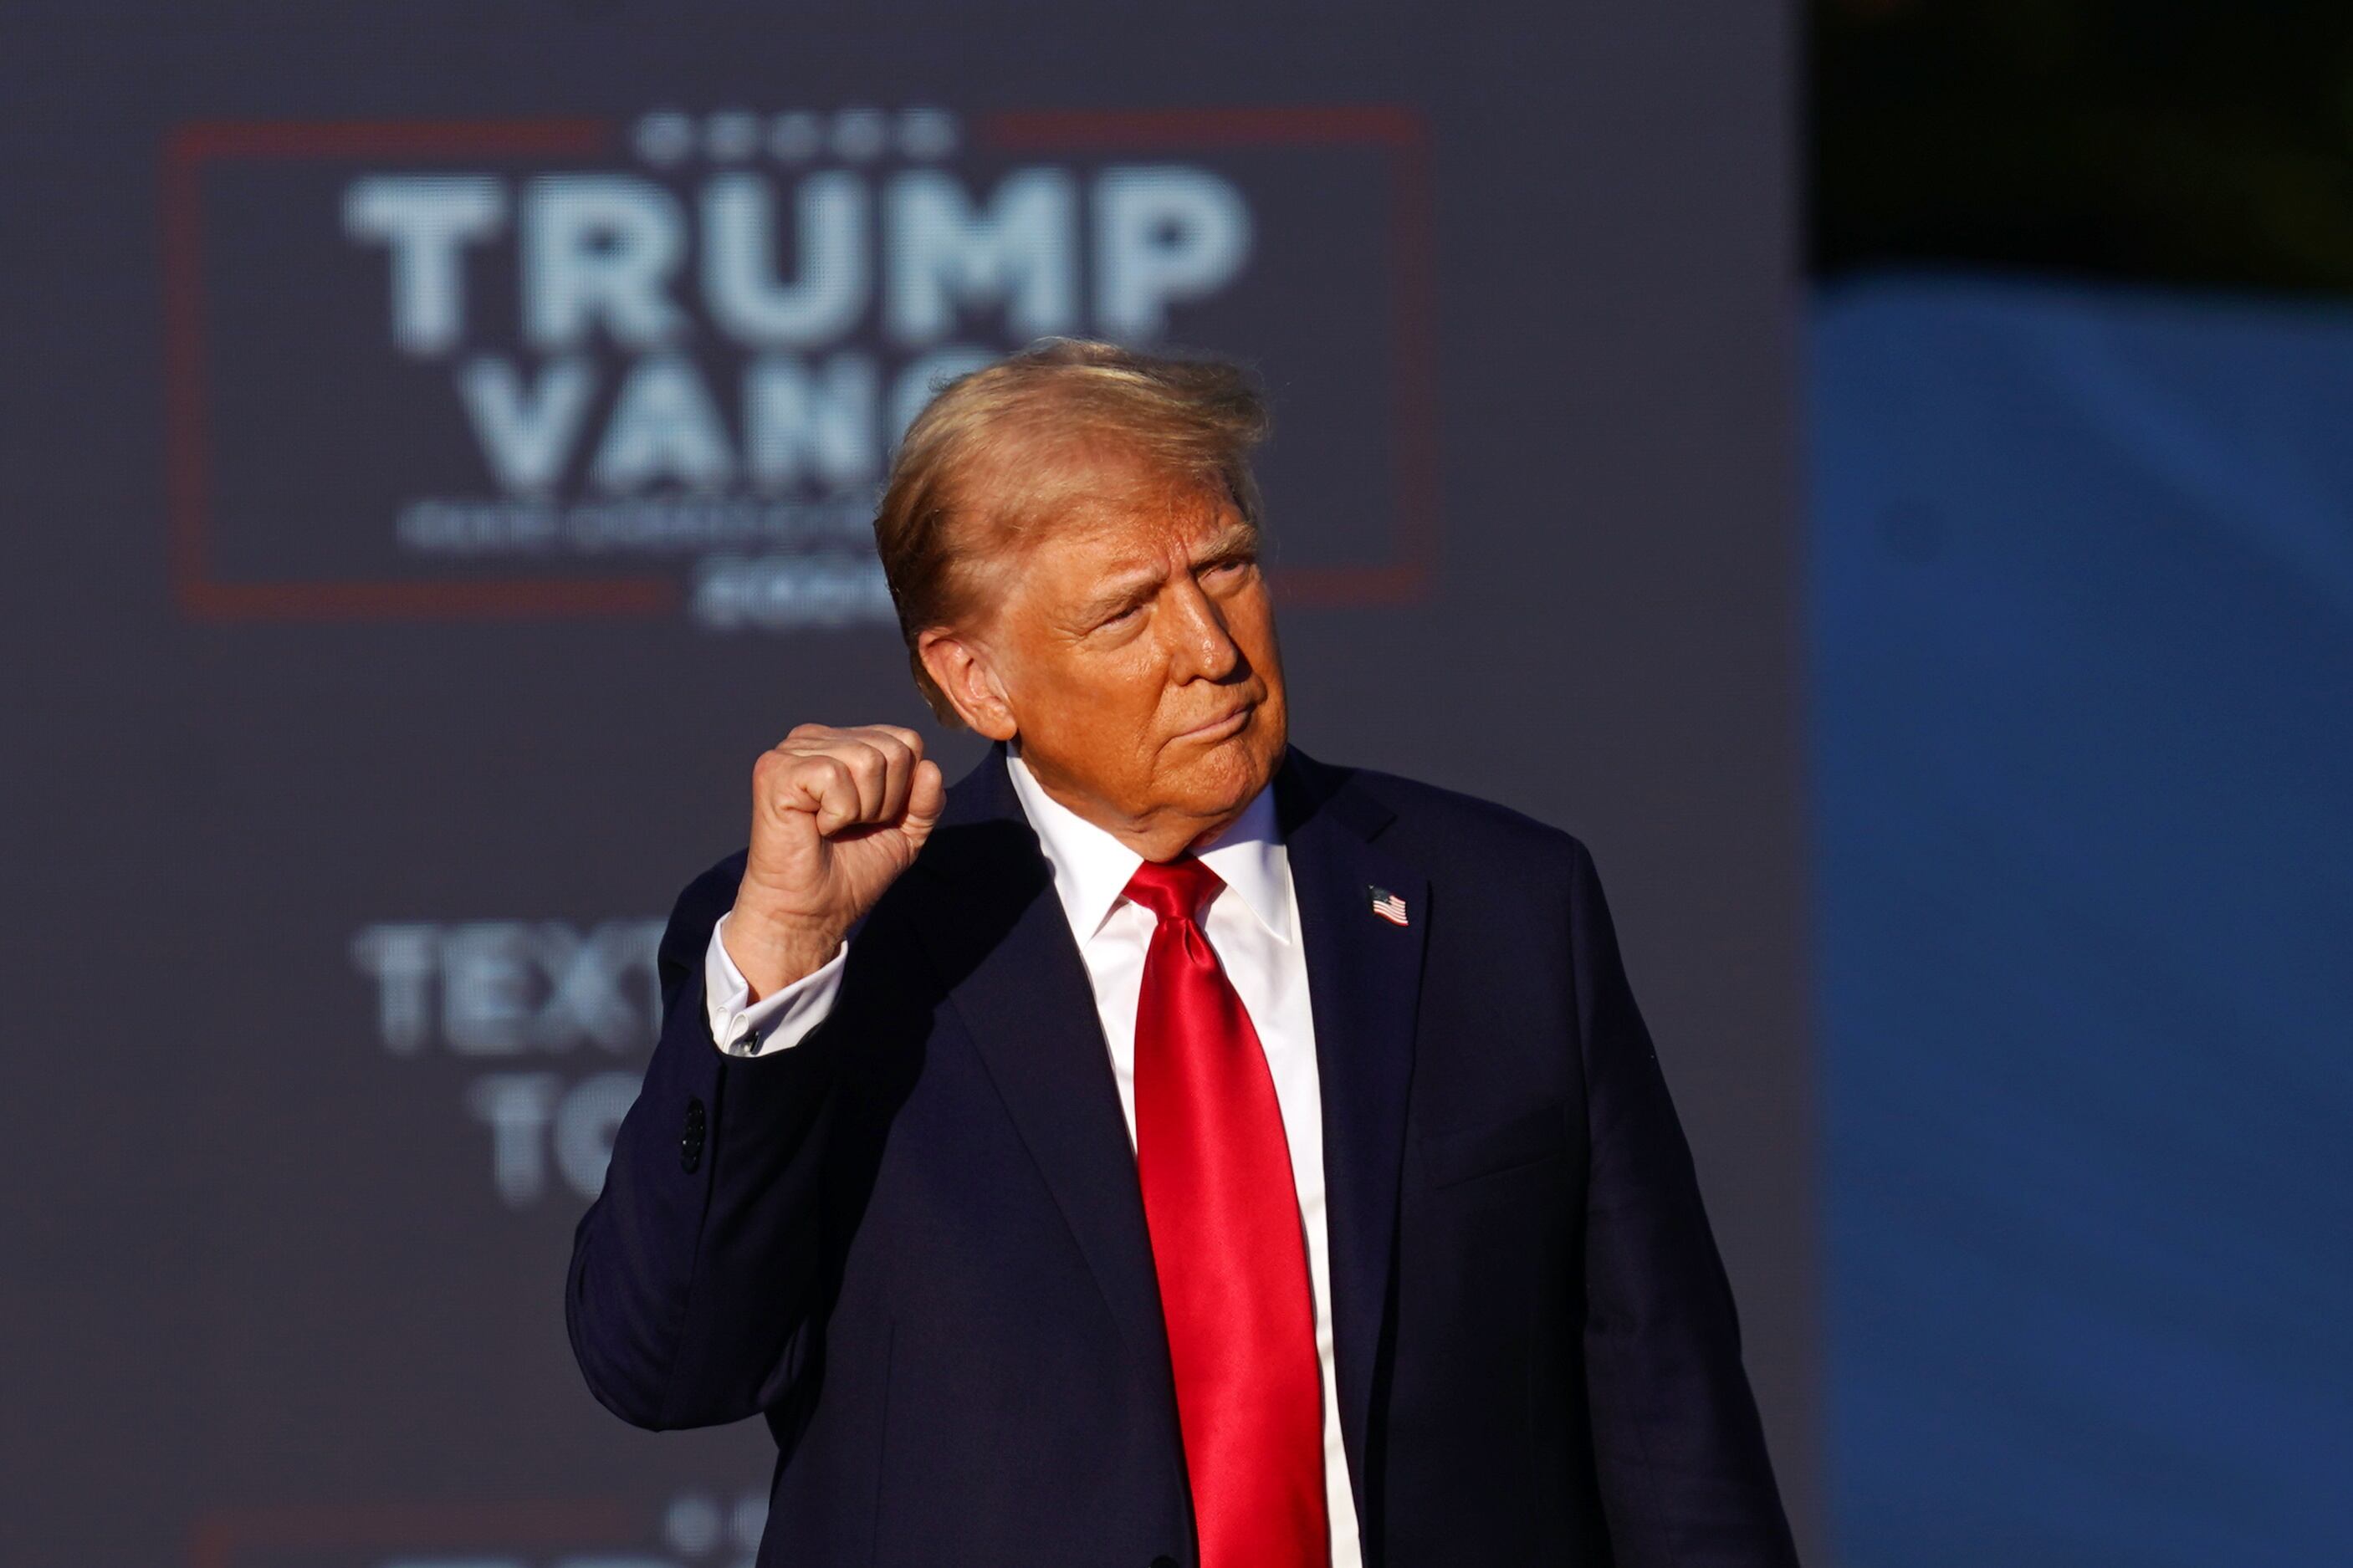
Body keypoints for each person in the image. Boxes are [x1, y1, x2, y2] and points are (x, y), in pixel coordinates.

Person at [565, 338, 1799, 1568]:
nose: (1210, 647)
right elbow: (667, 1366)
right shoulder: (848, 951)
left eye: (1227, 568)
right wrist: (783, 956)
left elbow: (1663, 1402)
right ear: (975, 678)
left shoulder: (1501, 907)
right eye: (1126, 612)